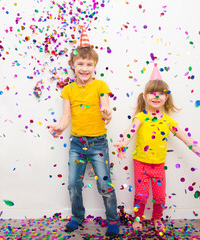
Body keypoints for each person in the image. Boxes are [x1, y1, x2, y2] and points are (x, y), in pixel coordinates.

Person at [114, 63, 200, 233]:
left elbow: (187, 139)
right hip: (141, 163)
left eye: (161, 93)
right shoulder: (141, 117)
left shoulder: (168, 121)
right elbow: (130, 131)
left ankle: (157, 218)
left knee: (160, 197)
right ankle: (138, 218)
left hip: (159, 165)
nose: (157, 96)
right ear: (145, 96)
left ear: (166, 97)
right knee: (141, 196)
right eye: (152, 93)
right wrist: (123, 143)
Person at [48, 27, 120, 237]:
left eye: (89, 64)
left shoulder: (101, 85)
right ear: (73, 66)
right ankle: (77, 216)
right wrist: (59, 127)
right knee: (72, 183)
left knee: (105, 184)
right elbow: (66, 116)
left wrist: (106, 113)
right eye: (80, 64)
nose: (85, 68)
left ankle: (113, 220)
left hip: (98, 143)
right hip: (77, 144)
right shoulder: (68, 89)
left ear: (94, 65)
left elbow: (106, 108)